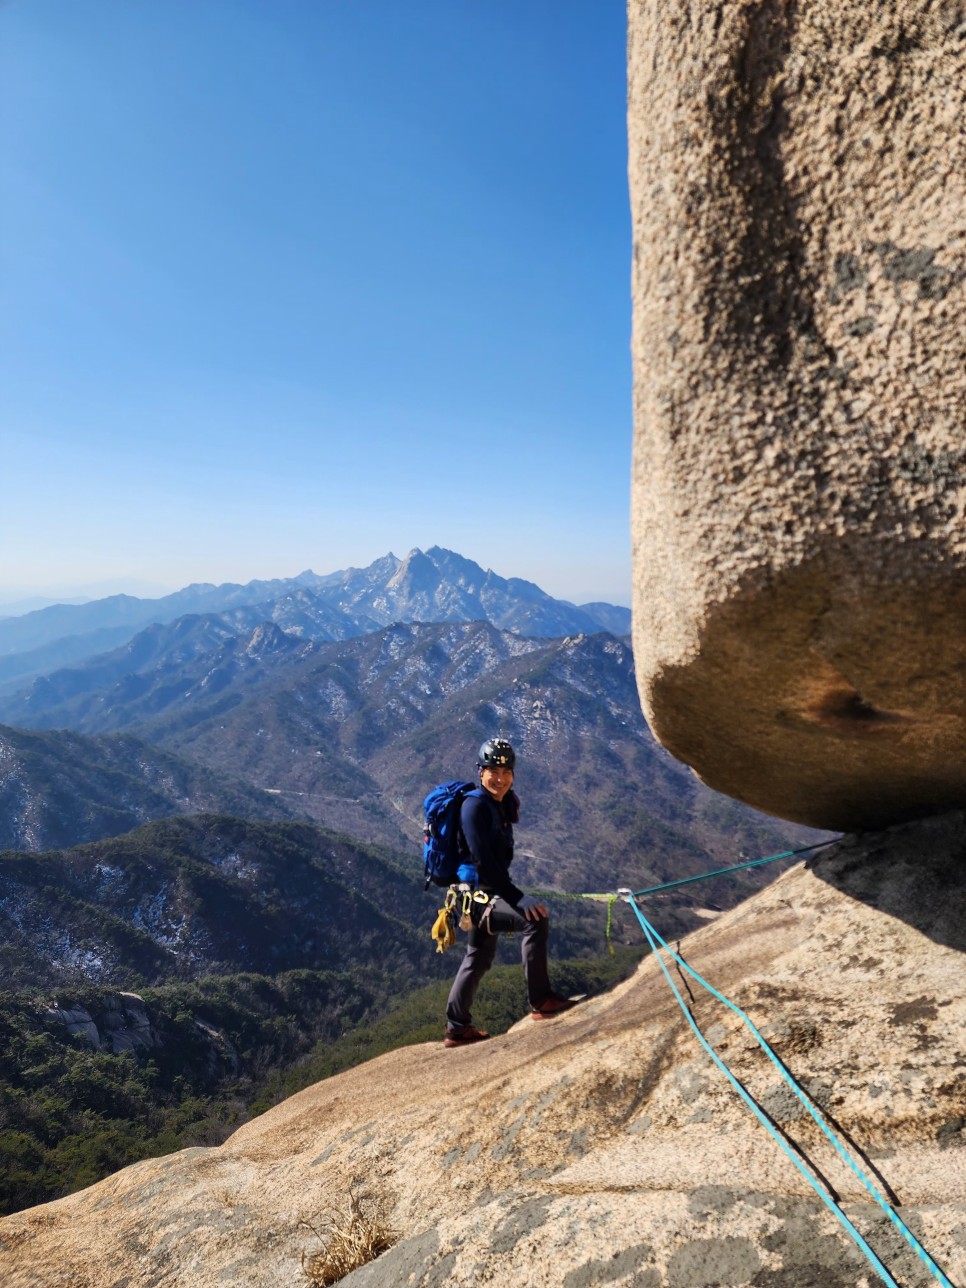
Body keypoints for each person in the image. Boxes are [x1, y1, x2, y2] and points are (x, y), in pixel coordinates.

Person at [443, 736, 576, 1048]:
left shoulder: (496, 805)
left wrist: (509, 894)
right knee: (534, 920)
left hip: (479, 894)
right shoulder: (475, 806)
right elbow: (483, 862)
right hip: (479, 898)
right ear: (481, 772)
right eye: (493, 771)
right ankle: (541, 1000)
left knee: (478, 956)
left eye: (506, 773)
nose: (500, 778)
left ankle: (456, 1027)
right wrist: (518, 898)